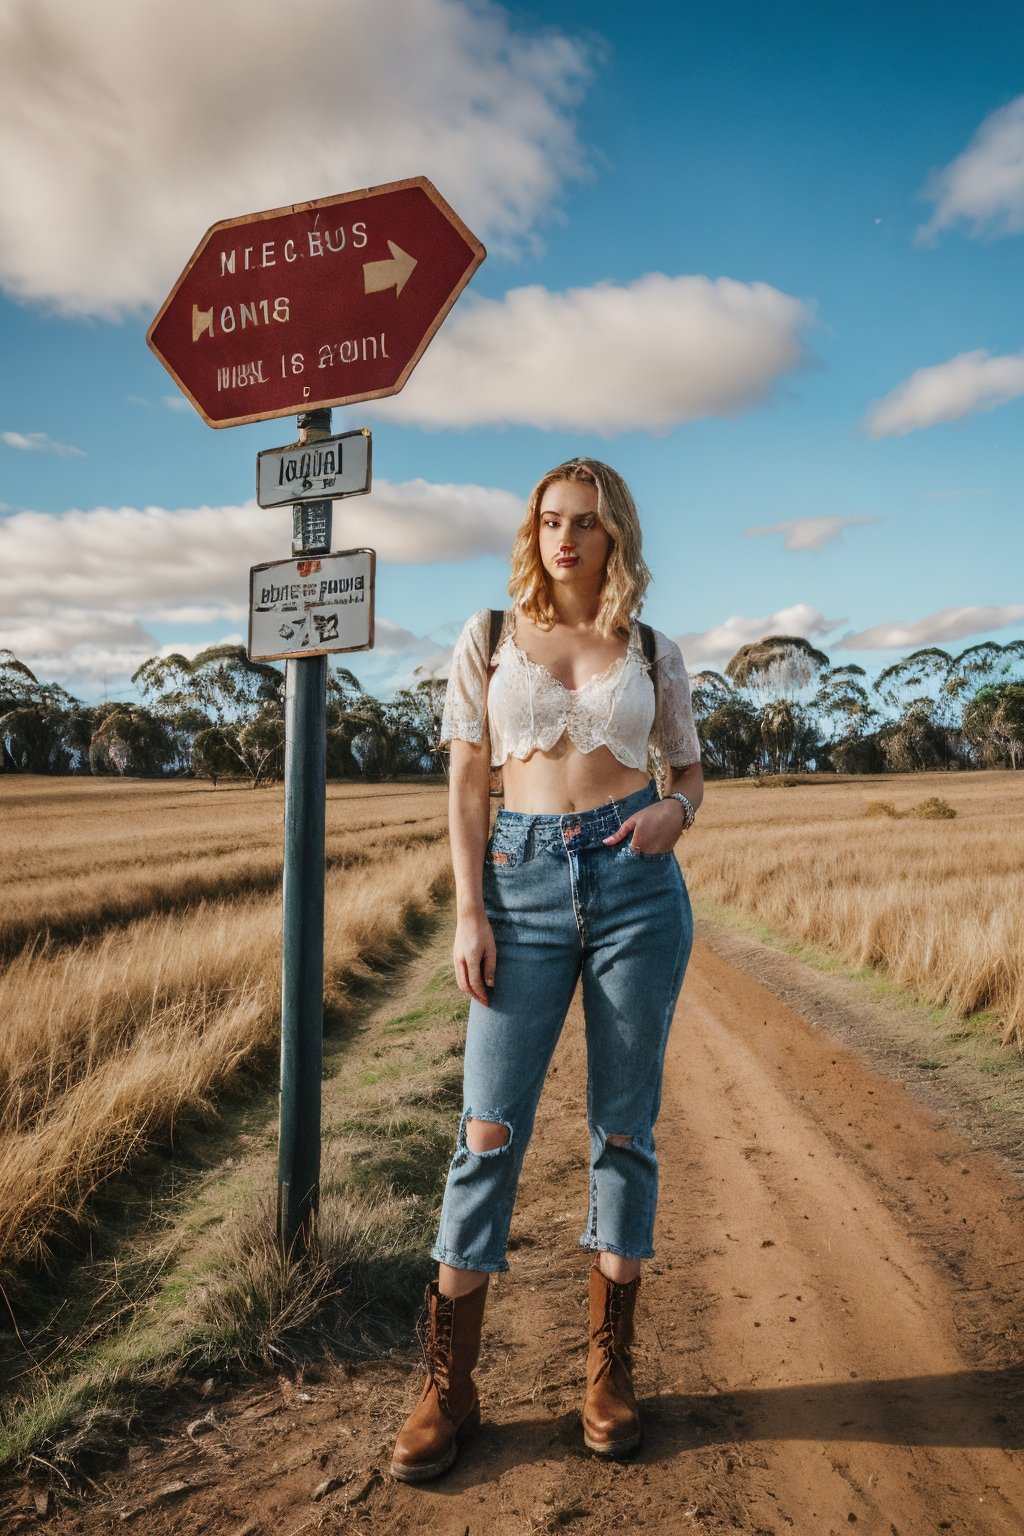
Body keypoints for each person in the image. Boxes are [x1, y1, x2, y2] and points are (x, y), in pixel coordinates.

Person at [390, 457, 703, 1482]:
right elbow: (468, 781)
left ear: (614, 537)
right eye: (549, 520)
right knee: (486, 1130)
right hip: (516, 885)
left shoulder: (653, 649)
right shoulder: (486, 638)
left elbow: (687, 768)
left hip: (633, 887)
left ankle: (606, 1374)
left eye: (584, 522)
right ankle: (449, 1387)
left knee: (623, 1127)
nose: (563, 537)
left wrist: (674, 810)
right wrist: (468, 911)